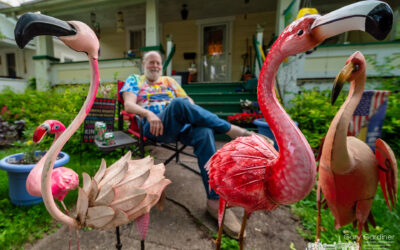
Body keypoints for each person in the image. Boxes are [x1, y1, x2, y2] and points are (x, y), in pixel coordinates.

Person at [121, 51, 252, 238]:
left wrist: (189, 112)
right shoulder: (135, 80)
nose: (155, 66)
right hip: (154, 127)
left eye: (158, 63)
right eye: (151, 62)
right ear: (144, 63)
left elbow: (189, 102)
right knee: (177, 104)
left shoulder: (170, 82)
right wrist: (149, 114)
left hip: (180, 127)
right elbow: (128, 105)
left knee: (204, 132)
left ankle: (214, 202)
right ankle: (231, 129)